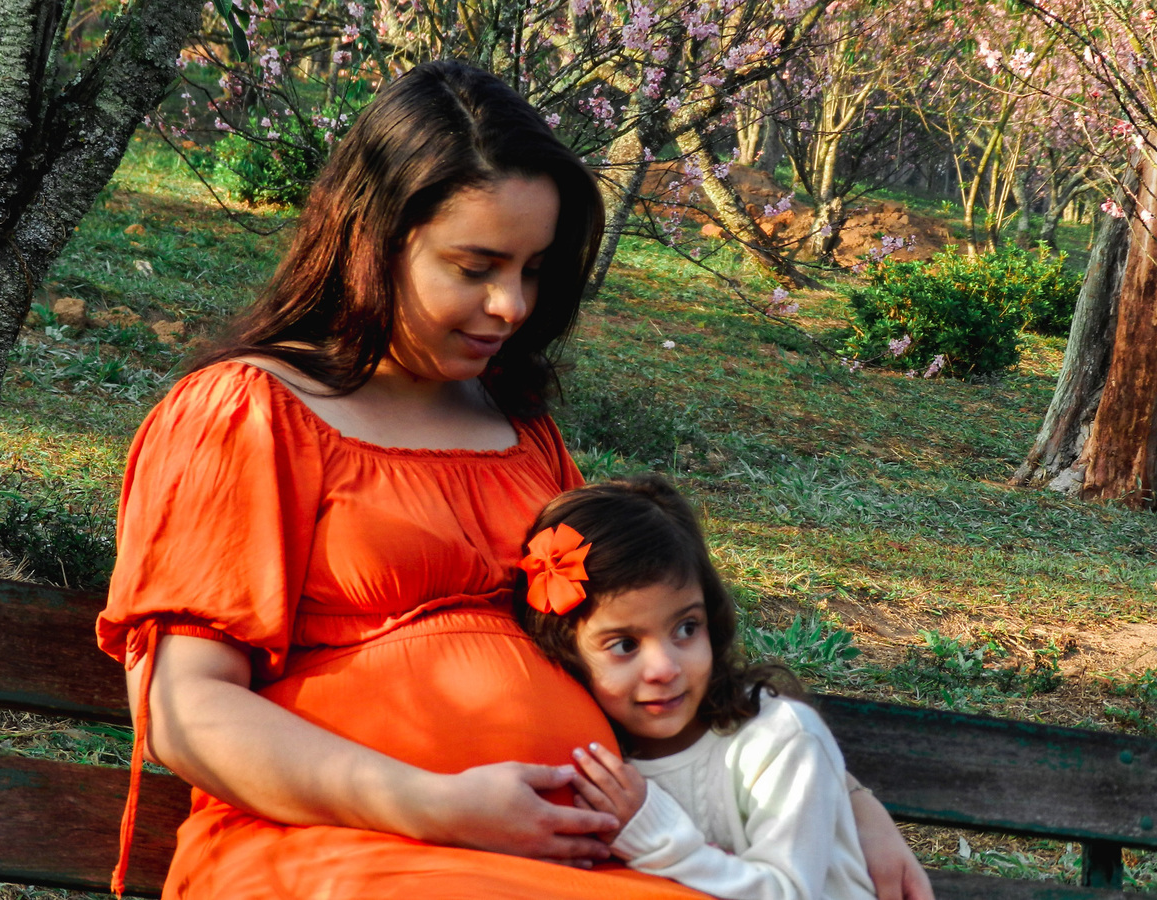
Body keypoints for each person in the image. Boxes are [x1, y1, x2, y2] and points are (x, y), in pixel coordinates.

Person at [96, 60, 934, 900]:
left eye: (532, 269)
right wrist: (431, 805)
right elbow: (185, 710)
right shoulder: (247, 415)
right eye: (476, 267)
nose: (513, 305)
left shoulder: (520, 430)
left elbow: (642, 631)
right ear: (372, 241)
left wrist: (843, 795)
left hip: (581, 861)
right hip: (341, 852)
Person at [515, 475, 884, 900]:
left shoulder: (778, 740)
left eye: (686, 628)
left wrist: (653, 832)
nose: (664, 668)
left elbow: (789, 893)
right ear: (566, 652)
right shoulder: (598, 761)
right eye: (625, 645)